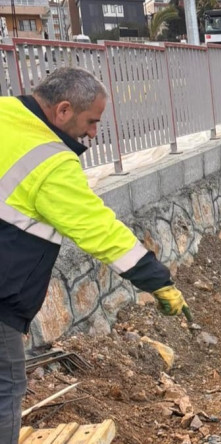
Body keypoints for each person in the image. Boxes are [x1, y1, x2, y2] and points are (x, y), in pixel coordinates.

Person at [0, 67, 190, 443]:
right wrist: (157, 280)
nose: (93, 133)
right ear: (64, 110)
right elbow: (97, 229)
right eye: (91, 121)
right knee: (6, 387)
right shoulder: (49, 161)